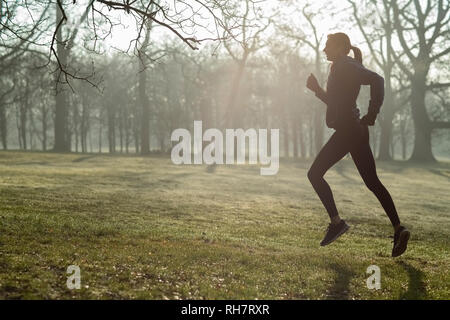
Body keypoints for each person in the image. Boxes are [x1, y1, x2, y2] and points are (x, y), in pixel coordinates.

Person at [305, 32, 410, 257]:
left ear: (342, 47)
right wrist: (317, 91)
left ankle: (336, 223)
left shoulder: (346, 65)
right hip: (354, 131)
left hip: (348, 131)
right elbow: (336, 102)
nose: (324, 49)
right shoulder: (342, 66)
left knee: (314, 174)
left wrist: (372, 114)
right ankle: (399, 229)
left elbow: (378, 80)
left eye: (328, 45)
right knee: (372, 182)